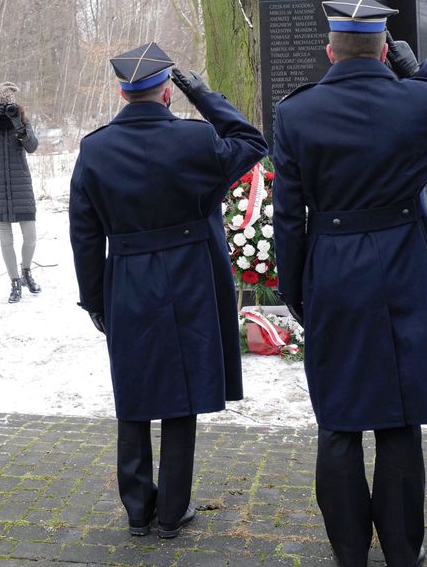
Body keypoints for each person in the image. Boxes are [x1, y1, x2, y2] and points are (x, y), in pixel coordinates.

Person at [272, 0, 427, 567]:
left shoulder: (297, 113)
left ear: (330, 49)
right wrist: (419, 70)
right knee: (399, 417)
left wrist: (295, 290)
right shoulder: (421, 101)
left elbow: (289, 216)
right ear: (385, 49)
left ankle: (349, 553)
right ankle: (400, 551)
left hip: (335, 269)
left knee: (340, 419)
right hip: (404, 266)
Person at [68, 42, 267, 539]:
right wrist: (204, 96)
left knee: (134, 394)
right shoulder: (196, 141)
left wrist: (95, 300)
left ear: (122, 91)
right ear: (166, 93)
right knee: (181, 393)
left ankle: (139, 511)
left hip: (129, 281)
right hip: (190, 278)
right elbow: (250, 140)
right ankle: (173, 510)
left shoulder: (95, 149)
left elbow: (85, 234)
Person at [0, 82, 41, 303]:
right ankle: (14, 282)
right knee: (5, 240)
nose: (7, 106)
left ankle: (26, 272)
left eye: (10, 103)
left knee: (30, 236)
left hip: (20, 184)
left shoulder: (20, 118)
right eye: (3, 103)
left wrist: (18, 125)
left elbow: (32, 146)